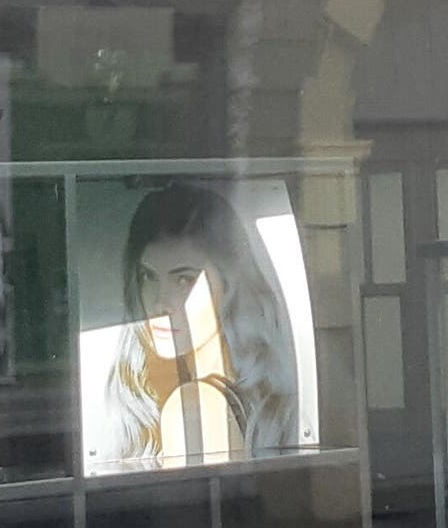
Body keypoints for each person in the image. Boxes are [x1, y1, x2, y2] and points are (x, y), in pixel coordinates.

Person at [106, 181, 302, 465]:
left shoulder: (193, 405)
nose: (161, 303)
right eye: (149, 277)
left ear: (230, 284)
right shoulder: (249, 395)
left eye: (184, 279)